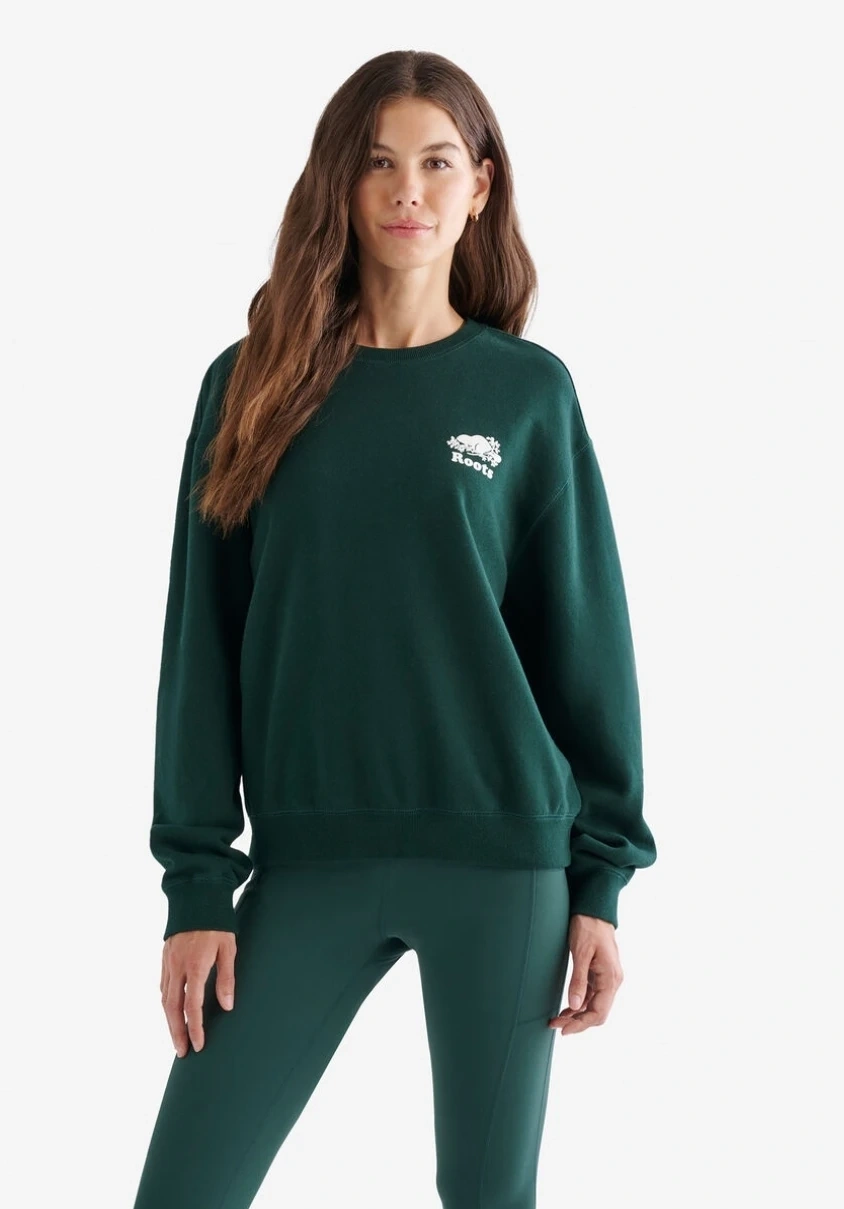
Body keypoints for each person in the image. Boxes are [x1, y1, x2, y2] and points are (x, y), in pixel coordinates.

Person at [132, 48, 657, 1209]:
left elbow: (583, 644)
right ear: (340, 182)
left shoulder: (525, 393)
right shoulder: (249, 386)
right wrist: (197, 886)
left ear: (479, 186)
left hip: (503, 861)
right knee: (185, 1190)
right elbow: (199, 647)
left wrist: (600, 882)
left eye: (435, 162)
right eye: (377, 163)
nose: (407, 189)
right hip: (308, 858)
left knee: (486, 1196)